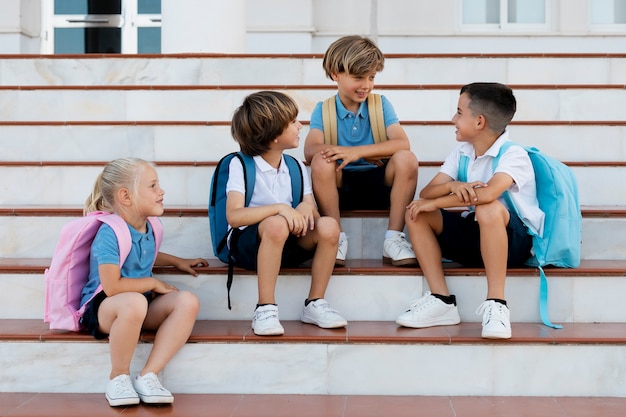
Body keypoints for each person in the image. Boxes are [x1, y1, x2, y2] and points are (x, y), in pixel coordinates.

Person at [396, 82, 543, 339]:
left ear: (479, 122)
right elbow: (427, 193)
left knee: (488, 209)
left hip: (512, 244)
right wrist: (452, 186)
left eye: (459, 113)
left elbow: (487, 194)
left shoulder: (513, 154)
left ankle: (497, 304)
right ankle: (442, 300)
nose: (453, 119)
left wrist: (438, 201)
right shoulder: (462, 152)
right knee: (416, 211)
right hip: (476, 235)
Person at [80, 157, 208, 406]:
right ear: (126, 196)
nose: (161, 191)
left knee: (187, 301)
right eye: (152, 186)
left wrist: (176, 261)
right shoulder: (108, 233)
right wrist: (152, 283)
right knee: (134, 303)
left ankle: (148, 375)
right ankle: (118, 377)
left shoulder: (149, 225)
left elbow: (142, 251)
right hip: (106, 307)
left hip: (137, 302)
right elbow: (112, 286)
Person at [226, 90, 347, 336]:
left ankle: (315, 303)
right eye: (292, 122)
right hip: (249, 248)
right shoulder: (239, 164)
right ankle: (265, 307)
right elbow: (234, 216)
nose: (299, 125)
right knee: (276, 224)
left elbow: (310, 208)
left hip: (288, 244)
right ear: (273, 137)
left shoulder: (295, 166)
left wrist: (304, 207)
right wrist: (281, 209)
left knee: (329, 226)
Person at [304, 35, 419, 267]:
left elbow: (401, 143)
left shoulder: (380, 104)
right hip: (340, 185)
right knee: (320, 161)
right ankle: (335, 237)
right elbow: (310, 149)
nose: (366, 84)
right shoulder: (323, 110)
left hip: (379, 184)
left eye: (372, 77)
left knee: (406, 159)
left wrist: (358, 153)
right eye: (358, 77)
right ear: (336, 74)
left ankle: (393, 238)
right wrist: (352, 153)